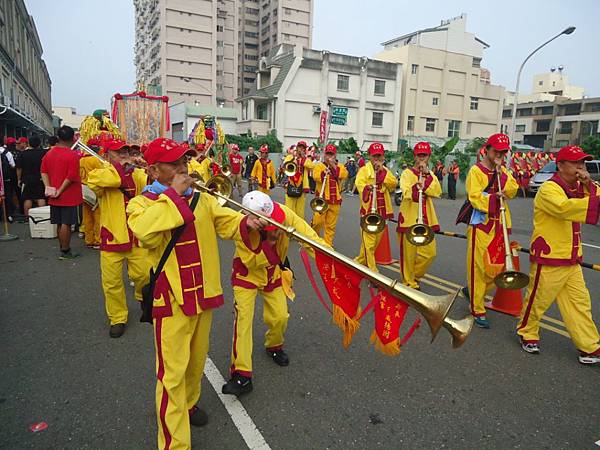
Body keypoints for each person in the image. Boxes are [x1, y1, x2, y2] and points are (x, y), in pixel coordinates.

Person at [126, 138, 268, 450]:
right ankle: (174, 444)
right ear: (152, 170)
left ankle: (189, 405)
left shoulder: (201, 199)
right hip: (171, 300)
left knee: (195, 362)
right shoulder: (141, 204)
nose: (183, 168)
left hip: (203, 294)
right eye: (174, 164)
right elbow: (145, 233)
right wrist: (173, 195)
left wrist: (249, 221)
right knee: (171, 375)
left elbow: (227, 222)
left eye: (184, 161)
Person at [223, 190, 328, 396]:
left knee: (280, 316)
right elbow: (252, 262)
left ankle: (274, 346)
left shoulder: (283, 213)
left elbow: (307, 234)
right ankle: (242, 374)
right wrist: (270, 242)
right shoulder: (241, 229)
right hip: (247, 276)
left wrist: (330, 259)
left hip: (273, 275)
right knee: (243, 322)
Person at [517, 145, 600, 364]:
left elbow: (594, 196)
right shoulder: (549, 189)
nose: (580, 167)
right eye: (575, 163)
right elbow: (565, 208)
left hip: (571, 258)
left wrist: (588, 183)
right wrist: (591, 194)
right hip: (550, 256)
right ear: (560, 165)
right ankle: (527, 332)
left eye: (583, 162)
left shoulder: (579, 186)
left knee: (580, 303)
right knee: (538, 300)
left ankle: (589, 347)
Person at [87, 139, 150, 338]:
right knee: (112, 282)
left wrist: (147, 168)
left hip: (136, 235)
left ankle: (142, 297)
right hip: (112, 235)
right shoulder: (101, 173)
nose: (124, 155)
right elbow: (109, 181)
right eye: (119, 153)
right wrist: (118, 168)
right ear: (107, 156)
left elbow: (152, 187)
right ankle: (118, 318)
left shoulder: (138, 174)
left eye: (126, 152)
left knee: (144, 275)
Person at [464, 133, 518, 328]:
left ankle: (473, 291)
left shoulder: (502, 171)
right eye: (496, 151)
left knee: (499, 268)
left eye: (503, 152)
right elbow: (475, 197)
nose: (499, 155)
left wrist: (500, 171)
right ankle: (477, 307)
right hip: (481, 225)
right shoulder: (476, 171)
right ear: (486, 149)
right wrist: (495, 197)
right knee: (478, 268)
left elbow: (512, 189)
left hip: (500, 225)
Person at [396, 142, 441, 289]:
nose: (422, 158)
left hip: (426, 218)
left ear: (429, 157)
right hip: (409, 218)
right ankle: (408, 282)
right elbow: (407, 193)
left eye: (425, 155)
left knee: (430, 254)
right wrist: (417, 186)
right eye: (419, 155)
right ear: (415, 156)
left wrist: (426, 176)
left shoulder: (431, 174)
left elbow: (437, 191)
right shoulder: (407, 173)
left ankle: (413, 275)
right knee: (408, 255)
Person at [40, 126, 83, 259]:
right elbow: (71, 176)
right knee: (67, 223)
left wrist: (49, 188)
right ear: (72, 138)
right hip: (69, 195)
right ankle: (65, 250)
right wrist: (60, 190)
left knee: (59, 222)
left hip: (53, 194)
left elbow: (43, 171)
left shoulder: (49, 153)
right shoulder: (72, 155)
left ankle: (62, 248)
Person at [354, 142, 397, 271]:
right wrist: (367, 187)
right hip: (368, 213)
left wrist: (382, 173)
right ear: (369, 157)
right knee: (369, 245)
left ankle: (356, 263)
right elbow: (359, 184)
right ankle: (373, 273)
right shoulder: (364, 170)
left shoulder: (386, 171)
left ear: (383, 157)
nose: (377, 159)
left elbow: (393, 184)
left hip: (382, 213)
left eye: (379, 156)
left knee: (373, 244)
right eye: (374, 157)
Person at [311, 144, 348, 246]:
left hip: (335, 200)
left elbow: (344, 175)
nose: (329, 157)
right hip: (322, 200)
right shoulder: (319, 166)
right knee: (317, 222)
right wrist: (324, 173)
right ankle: (315, 240)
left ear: (335, 155)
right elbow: (315, 176)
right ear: (324, 154)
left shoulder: (340, 166)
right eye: (328, 154)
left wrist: (333, 166)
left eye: (331, 154)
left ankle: (327, 245)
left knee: (330, 226)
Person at [79, 137, 103, 248]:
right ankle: (98, 240)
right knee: (97, 217)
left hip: (83, 190)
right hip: (94, 191)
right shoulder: (96, 160)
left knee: (87, 217)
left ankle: (89, 239)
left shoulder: (81, 160)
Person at [282, 140, 315, 219]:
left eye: (303, 148)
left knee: (300, 211)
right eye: (299, 147)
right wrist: (294, 158)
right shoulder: (290, 157)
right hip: (290, 184)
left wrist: (303, 158)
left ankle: (298, 228)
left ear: (305, 149)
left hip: (302, 186)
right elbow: (285, 165)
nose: (301, 149)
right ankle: (288, 226)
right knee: (289, 208)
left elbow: (311, 166)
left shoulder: (306, 159)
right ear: (297, 147)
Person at [16, 135, 47, 217]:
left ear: (29, 144)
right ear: (39, 144)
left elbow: (19, 168)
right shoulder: (44, 153)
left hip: (27, 178)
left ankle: (27, 217)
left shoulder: (23, 154)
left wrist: (19, 179)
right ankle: (43, 216)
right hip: (41, 178)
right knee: (41, 196)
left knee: (28, 198)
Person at [0, 137, 17, 222]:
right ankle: (9, 215)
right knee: (7, 196)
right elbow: (13, 166)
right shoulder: (7, 153)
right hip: (5, 179)